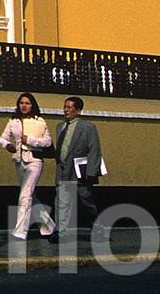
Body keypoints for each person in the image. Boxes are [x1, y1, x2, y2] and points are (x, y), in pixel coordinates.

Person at [0, 91, 58, 240]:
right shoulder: (14, 121)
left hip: (34, 161)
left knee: (25, 195)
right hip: (19, 161)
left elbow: (48, 142)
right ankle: (49, 226)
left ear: (32, 105)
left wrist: (29, 140)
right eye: (22, 103)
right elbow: (2, 138)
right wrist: (7, 145)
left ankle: (19, 232)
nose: (24, 106)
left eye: (27, 103)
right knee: (30, 195)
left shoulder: (40, 121)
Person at [54, 96, 105, 236]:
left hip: (79, 171)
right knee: (61, 201)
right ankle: (60, 231)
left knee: (85, 200)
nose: (66, 110)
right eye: (65, 107)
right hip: (63, 169)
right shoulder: (60, 126)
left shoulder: (88, 127)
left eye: (69, 107)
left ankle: (97, 227)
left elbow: (94, 149)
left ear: (78, 110)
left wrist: (91, 172)